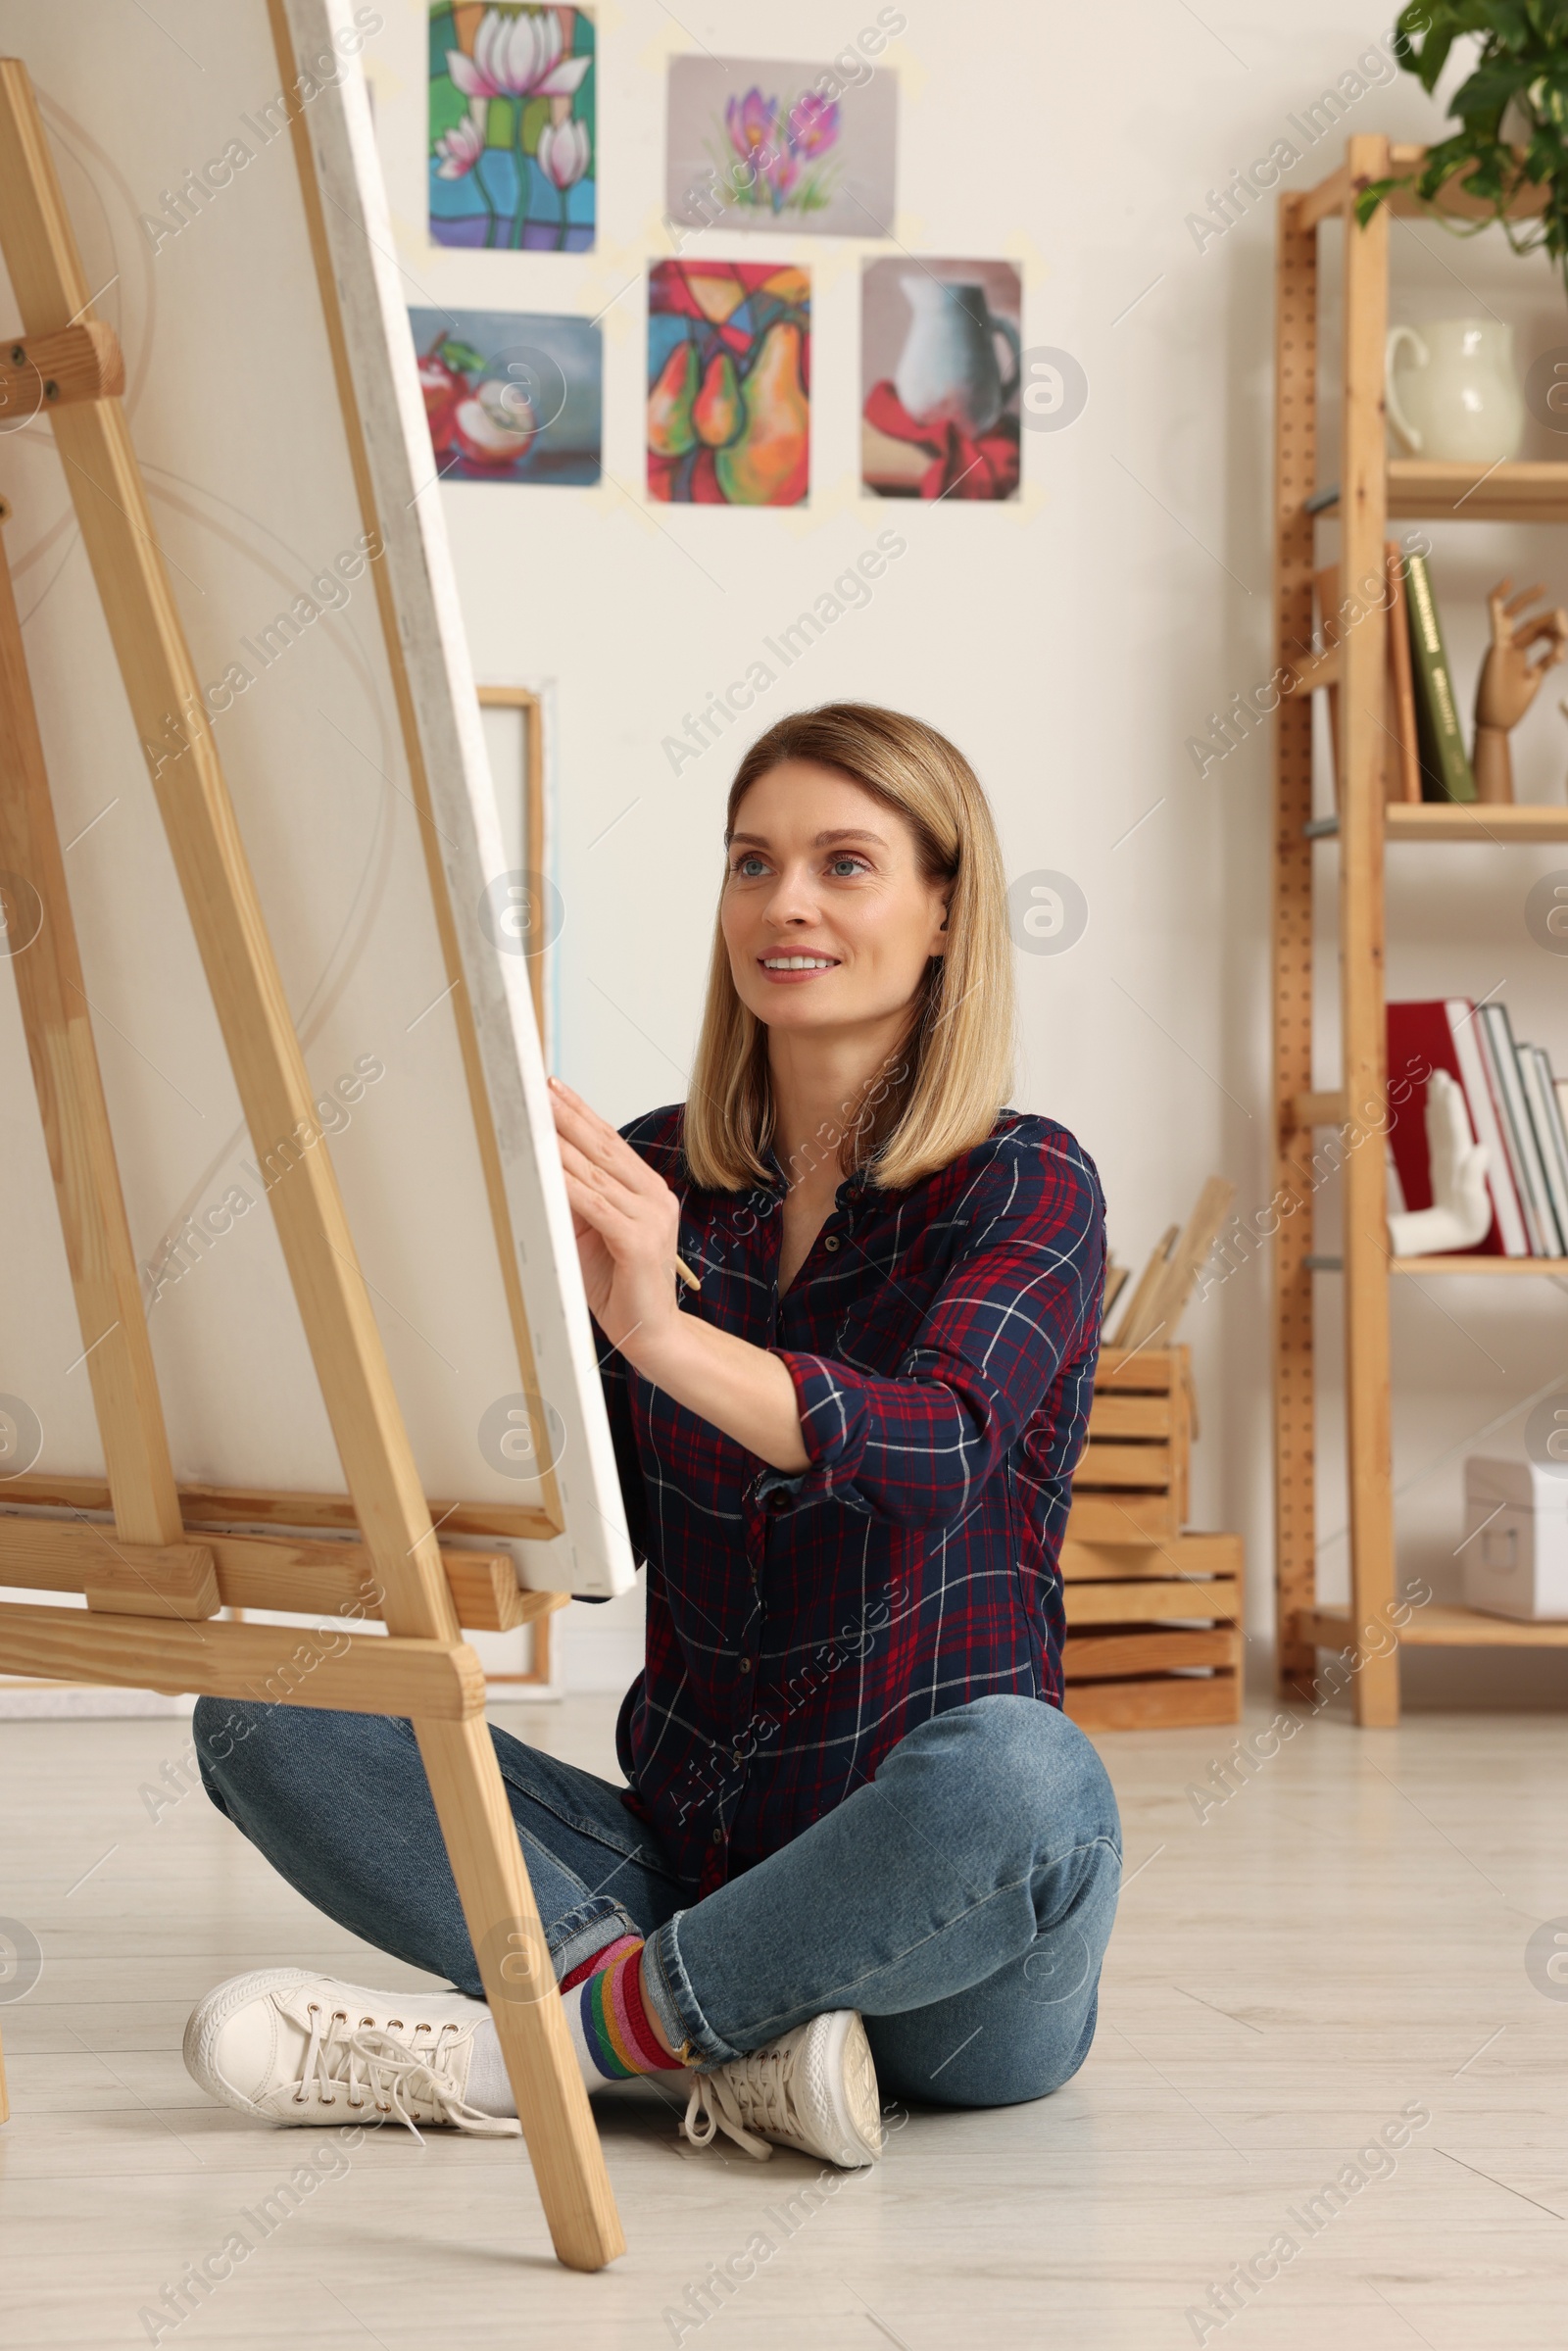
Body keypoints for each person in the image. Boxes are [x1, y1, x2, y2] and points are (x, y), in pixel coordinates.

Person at [183, 702, 1120, 2170]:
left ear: (946, 912)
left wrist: (659, 1334)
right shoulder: (664, 1172)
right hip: (690, 1872)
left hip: (942, 1960)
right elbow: (579, 1532)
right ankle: (697, 2039)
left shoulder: (1029, 1182)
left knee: (1028, 1774)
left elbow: (935, 1450)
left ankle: (544, 2051)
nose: (784, 901)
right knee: (263, 1708)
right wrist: (472, 1339)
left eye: (844, 863)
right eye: (752, 862)